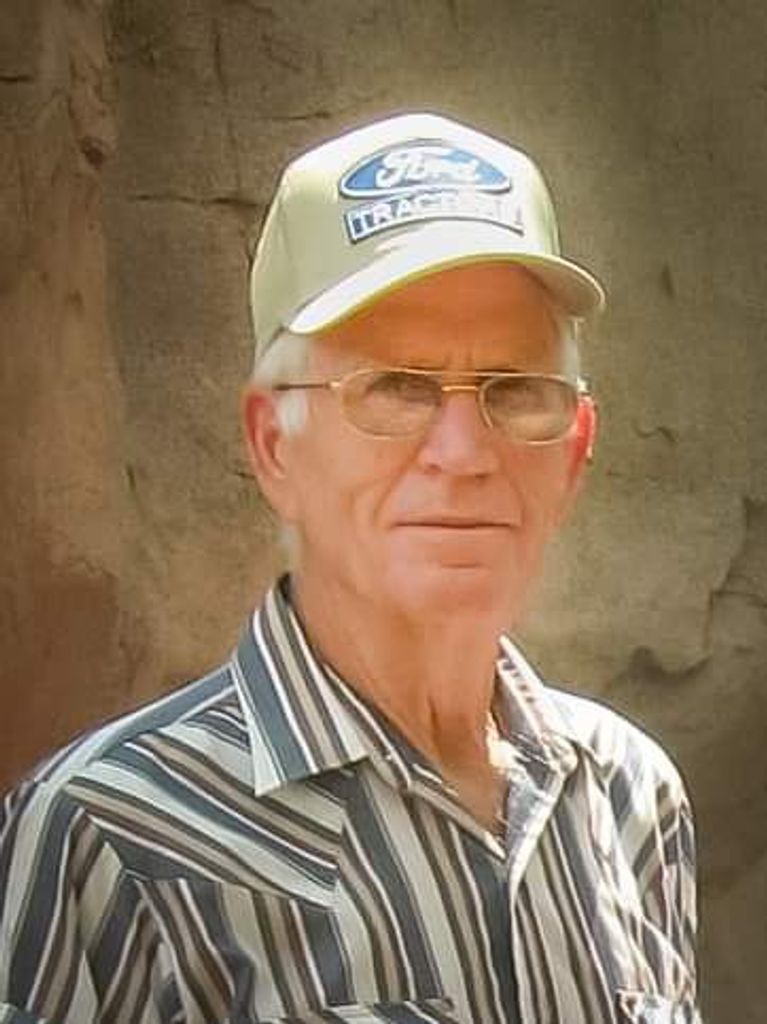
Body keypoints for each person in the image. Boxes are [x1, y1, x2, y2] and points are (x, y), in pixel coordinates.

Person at [0, 113, 702, 1024]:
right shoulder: (106, 841)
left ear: (575, 448)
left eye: (517, 390)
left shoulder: (629, 795)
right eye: (395, 388)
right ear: (273, 445)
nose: (463, 452)